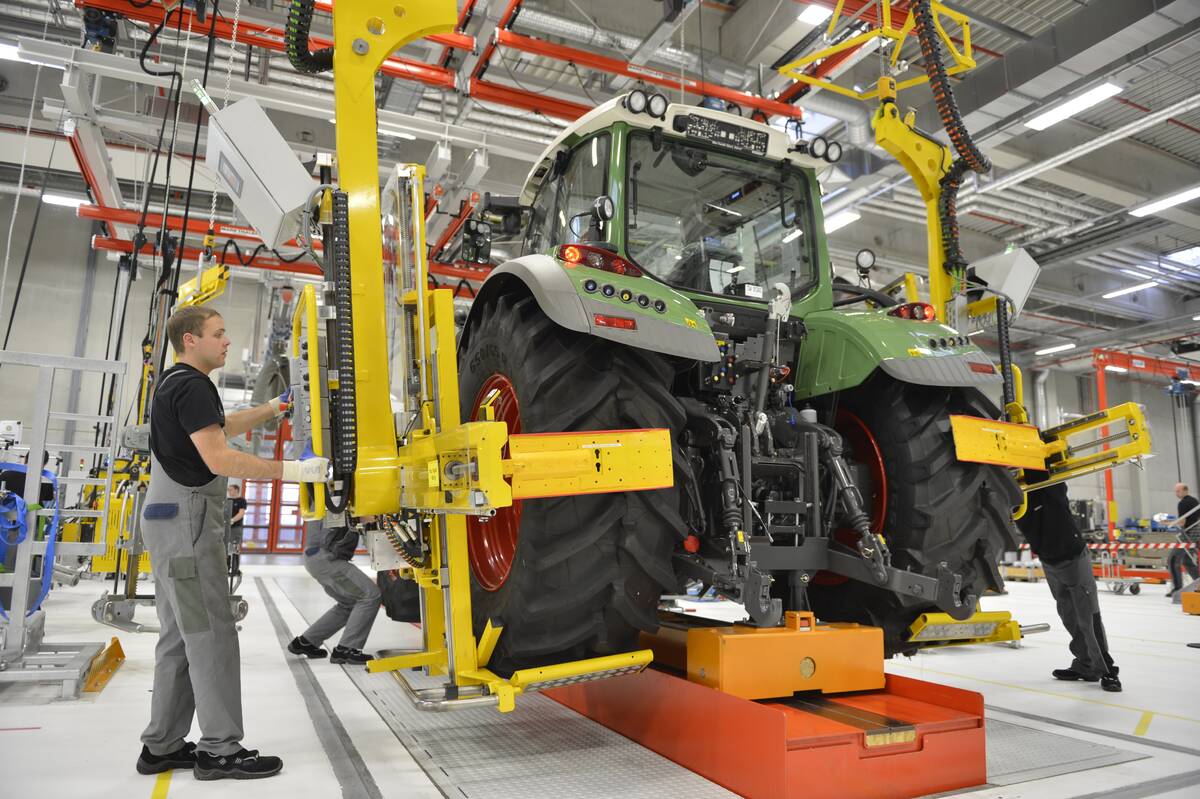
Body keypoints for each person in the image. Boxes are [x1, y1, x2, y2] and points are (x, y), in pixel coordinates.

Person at [135, 306, 328, 781]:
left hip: (166, 520)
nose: (226, 342)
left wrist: (274, 409)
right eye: (218, 334)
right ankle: (220, 749)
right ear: (189, 340)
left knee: (180, 635)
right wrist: (292, 470)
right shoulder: (194, 385)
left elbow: (219, 430)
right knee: (211, 634)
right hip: (188, 523)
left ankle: (162, 746)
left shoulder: (174, 383)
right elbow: (220, 458)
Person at [1016, 470, 1120, 692]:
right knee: (1068, 614)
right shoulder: (1016, 498)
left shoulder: (1050, 489)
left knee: (1087, 614)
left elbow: (1045, 470)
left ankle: (1108, 670)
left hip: (1072, 556)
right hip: (1049, 559)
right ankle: (1085, 664)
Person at [287, 517, 381, 665]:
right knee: (370, 595)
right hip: (328, 560)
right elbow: (367, 516)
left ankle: (306, 642)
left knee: (348, 603)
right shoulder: (336, 496)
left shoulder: (320, 496)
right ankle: (347, 650)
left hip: (315, 557)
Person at [1167, 482, 1200, 597]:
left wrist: (1170, 523)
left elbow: (1182, 522)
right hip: (1196, 534)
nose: (1176, 493)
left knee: (1172, 559)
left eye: (1178, 491)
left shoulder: (1182, 503)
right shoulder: (1195, 501)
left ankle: (1177, 588)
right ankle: (1199, 584)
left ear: (1184, 490)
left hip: (1187, 535)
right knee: (1187, 561)